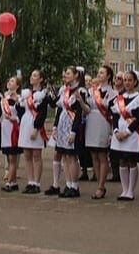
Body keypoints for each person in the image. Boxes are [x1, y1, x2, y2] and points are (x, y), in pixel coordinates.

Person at [49, 66, 88, 198]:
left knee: (72, 157)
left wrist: (74, 131)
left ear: (76, 75)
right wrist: (55, 127)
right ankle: (68, 184)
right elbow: (59, 108)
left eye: (68, 73)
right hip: (62, 124)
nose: (65, 75)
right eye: (65, 73)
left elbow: (78, 113)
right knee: (65, 156)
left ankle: (74, 186)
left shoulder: (81, 91)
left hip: (72, 126)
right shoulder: (64, 90)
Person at [109, 70, 139, 201]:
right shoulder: (118, 99)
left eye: (130, 80)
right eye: (125, 80)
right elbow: (114, 117)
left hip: (132, 134)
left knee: (131, 161)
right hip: (119, 132)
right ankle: (124, 190)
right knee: (122, 161)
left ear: (135, 82)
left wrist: (127, 132)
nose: (127, 82)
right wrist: (116, 132)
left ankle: (131, 190)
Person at [85, 65, 116, 199]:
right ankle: (99, 183)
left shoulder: (113, 93)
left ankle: (101, 186)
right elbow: (87, 108)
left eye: (102, 72)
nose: (99, 74)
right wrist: (81, 102)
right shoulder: (92, 91)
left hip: (104, 122)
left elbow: (112, 110)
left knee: (102, 154)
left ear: (108, 76)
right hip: (92, 121)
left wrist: (104, 104)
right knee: (94, 155)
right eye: (98, 72)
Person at [18, 69, 48, 194]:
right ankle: (30, 181)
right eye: (31, 75)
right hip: (25, 122)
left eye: (35, 75)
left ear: (41, 79)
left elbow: (42, 113)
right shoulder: (26, 94)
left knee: (36, 155)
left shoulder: (42, 94)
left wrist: (36, 128)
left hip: (35, 124)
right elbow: (20, 109)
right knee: (27, 155)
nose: (32, 77)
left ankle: (36, 182)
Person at [0, 76, 24, 192]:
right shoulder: (5, 97)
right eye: (9, 80)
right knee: (8, 157)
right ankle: (13, 181)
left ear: (18, 86)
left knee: (12, 157)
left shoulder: (19, 99)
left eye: (13, 81)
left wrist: (15, 118)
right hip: (5, 128)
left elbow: (22, 113)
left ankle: (10, 182)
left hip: (14, 128)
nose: (10, 82)